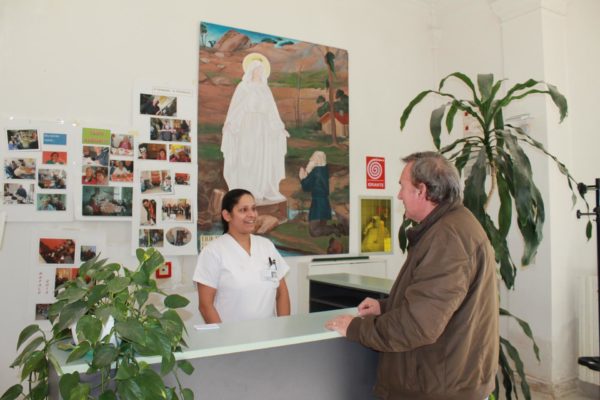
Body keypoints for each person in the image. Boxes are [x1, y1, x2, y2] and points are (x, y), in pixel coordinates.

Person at [326, 151, 499, 400]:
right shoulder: (448, 227)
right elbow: (435, 302)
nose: (399, 196)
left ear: (422, 191)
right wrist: (385, 307)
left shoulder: (448, 239)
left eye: (402, 187)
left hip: (441, 387)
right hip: (442, 380)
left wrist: (356, 328)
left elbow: (418, 326)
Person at [193, 189, 291, 323]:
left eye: (253, 208)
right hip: (232, 339)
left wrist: (283, 329)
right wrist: (224, 339)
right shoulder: (213, 252)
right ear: (227, 215)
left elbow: (282, 293)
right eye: (243, 210)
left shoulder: (266, 246)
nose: (252, 215)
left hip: (269, 336)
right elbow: (205, 306)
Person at [220, 53, 289, 202]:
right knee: (247, 155)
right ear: (251, 70)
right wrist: (230, 123)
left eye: (261, 69)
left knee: (261, 156)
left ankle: (262, 187)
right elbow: (236, 107)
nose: (260, 72)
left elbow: (272, 110)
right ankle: (246, 188)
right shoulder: (243, 87)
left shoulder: (265, 89)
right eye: (257, 69)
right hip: (247, 125)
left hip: (262, 127)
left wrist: (279, 127)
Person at [299, 150, 344, 237]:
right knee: (320, 226)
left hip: (318, 203)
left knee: (314, 231)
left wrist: (302, 178)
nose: (310, 161)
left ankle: (334, 229)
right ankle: (334, 229)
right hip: (324, 202)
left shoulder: (315, 172)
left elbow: (306, 187)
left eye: (312, 160)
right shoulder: (323, 170)